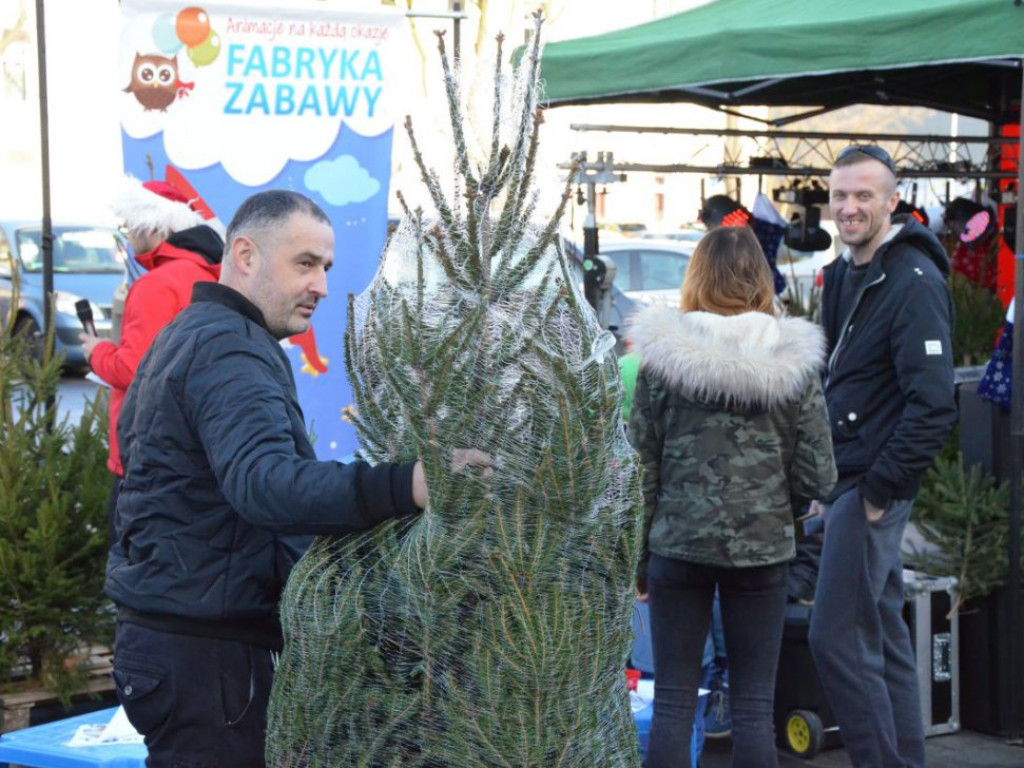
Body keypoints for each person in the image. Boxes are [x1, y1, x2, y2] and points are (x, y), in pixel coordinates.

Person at [105, 190, 489, 767]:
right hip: (207, 657)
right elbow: (266, 484)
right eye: (304, 263)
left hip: (182, 643)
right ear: (245, 255)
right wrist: (408, 483)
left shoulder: (195, 331)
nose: (322, 286)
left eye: (326, 268)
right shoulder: (227, 347)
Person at [629, 225, 836, 768]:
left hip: (676, 547)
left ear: (696, 276)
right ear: (760, 281)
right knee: (752, 706)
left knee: (674, 700)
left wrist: (639, 561)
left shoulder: (662, 361)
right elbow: (820, 478)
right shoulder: (792, 363)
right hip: (763, 551)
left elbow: (639, 470)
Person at [809, 145, 957, 768]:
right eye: (841, 195)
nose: (849, 207)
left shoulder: (913, 281)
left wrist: (877, 493)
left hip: (871, 485)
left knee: (836, 638)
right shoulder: (845, 271)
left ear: (892, 202)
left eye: (864, 196)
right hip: (850, 479)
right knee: (886, 634)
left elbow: (934, 405)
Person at [80, 177, 223, 542]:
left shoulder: (157, 284)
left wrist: (96, 351)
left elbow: (133, 369)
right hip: (192, 452)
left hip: (144, 454)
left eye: (129, 225)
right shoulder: (208, 275)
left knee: (133, 568)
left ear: (154, 224)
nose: (127, 235)